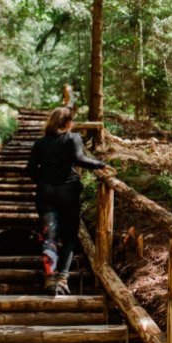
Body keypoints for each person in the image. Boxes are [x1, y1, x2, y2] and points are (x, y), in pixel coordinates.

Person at [26, 107, 111, 295]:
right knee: (70, 237)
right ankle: (62, 278)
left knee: (50, 236)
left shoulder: (40, 143)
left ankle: (49, 278)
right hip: (68, 194)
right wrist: (102, 164)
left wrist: (45, 179)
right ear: (68, 123)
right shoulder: (73, 138)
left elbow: (30, 170)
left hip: (45, 194)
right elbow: (80, 159)